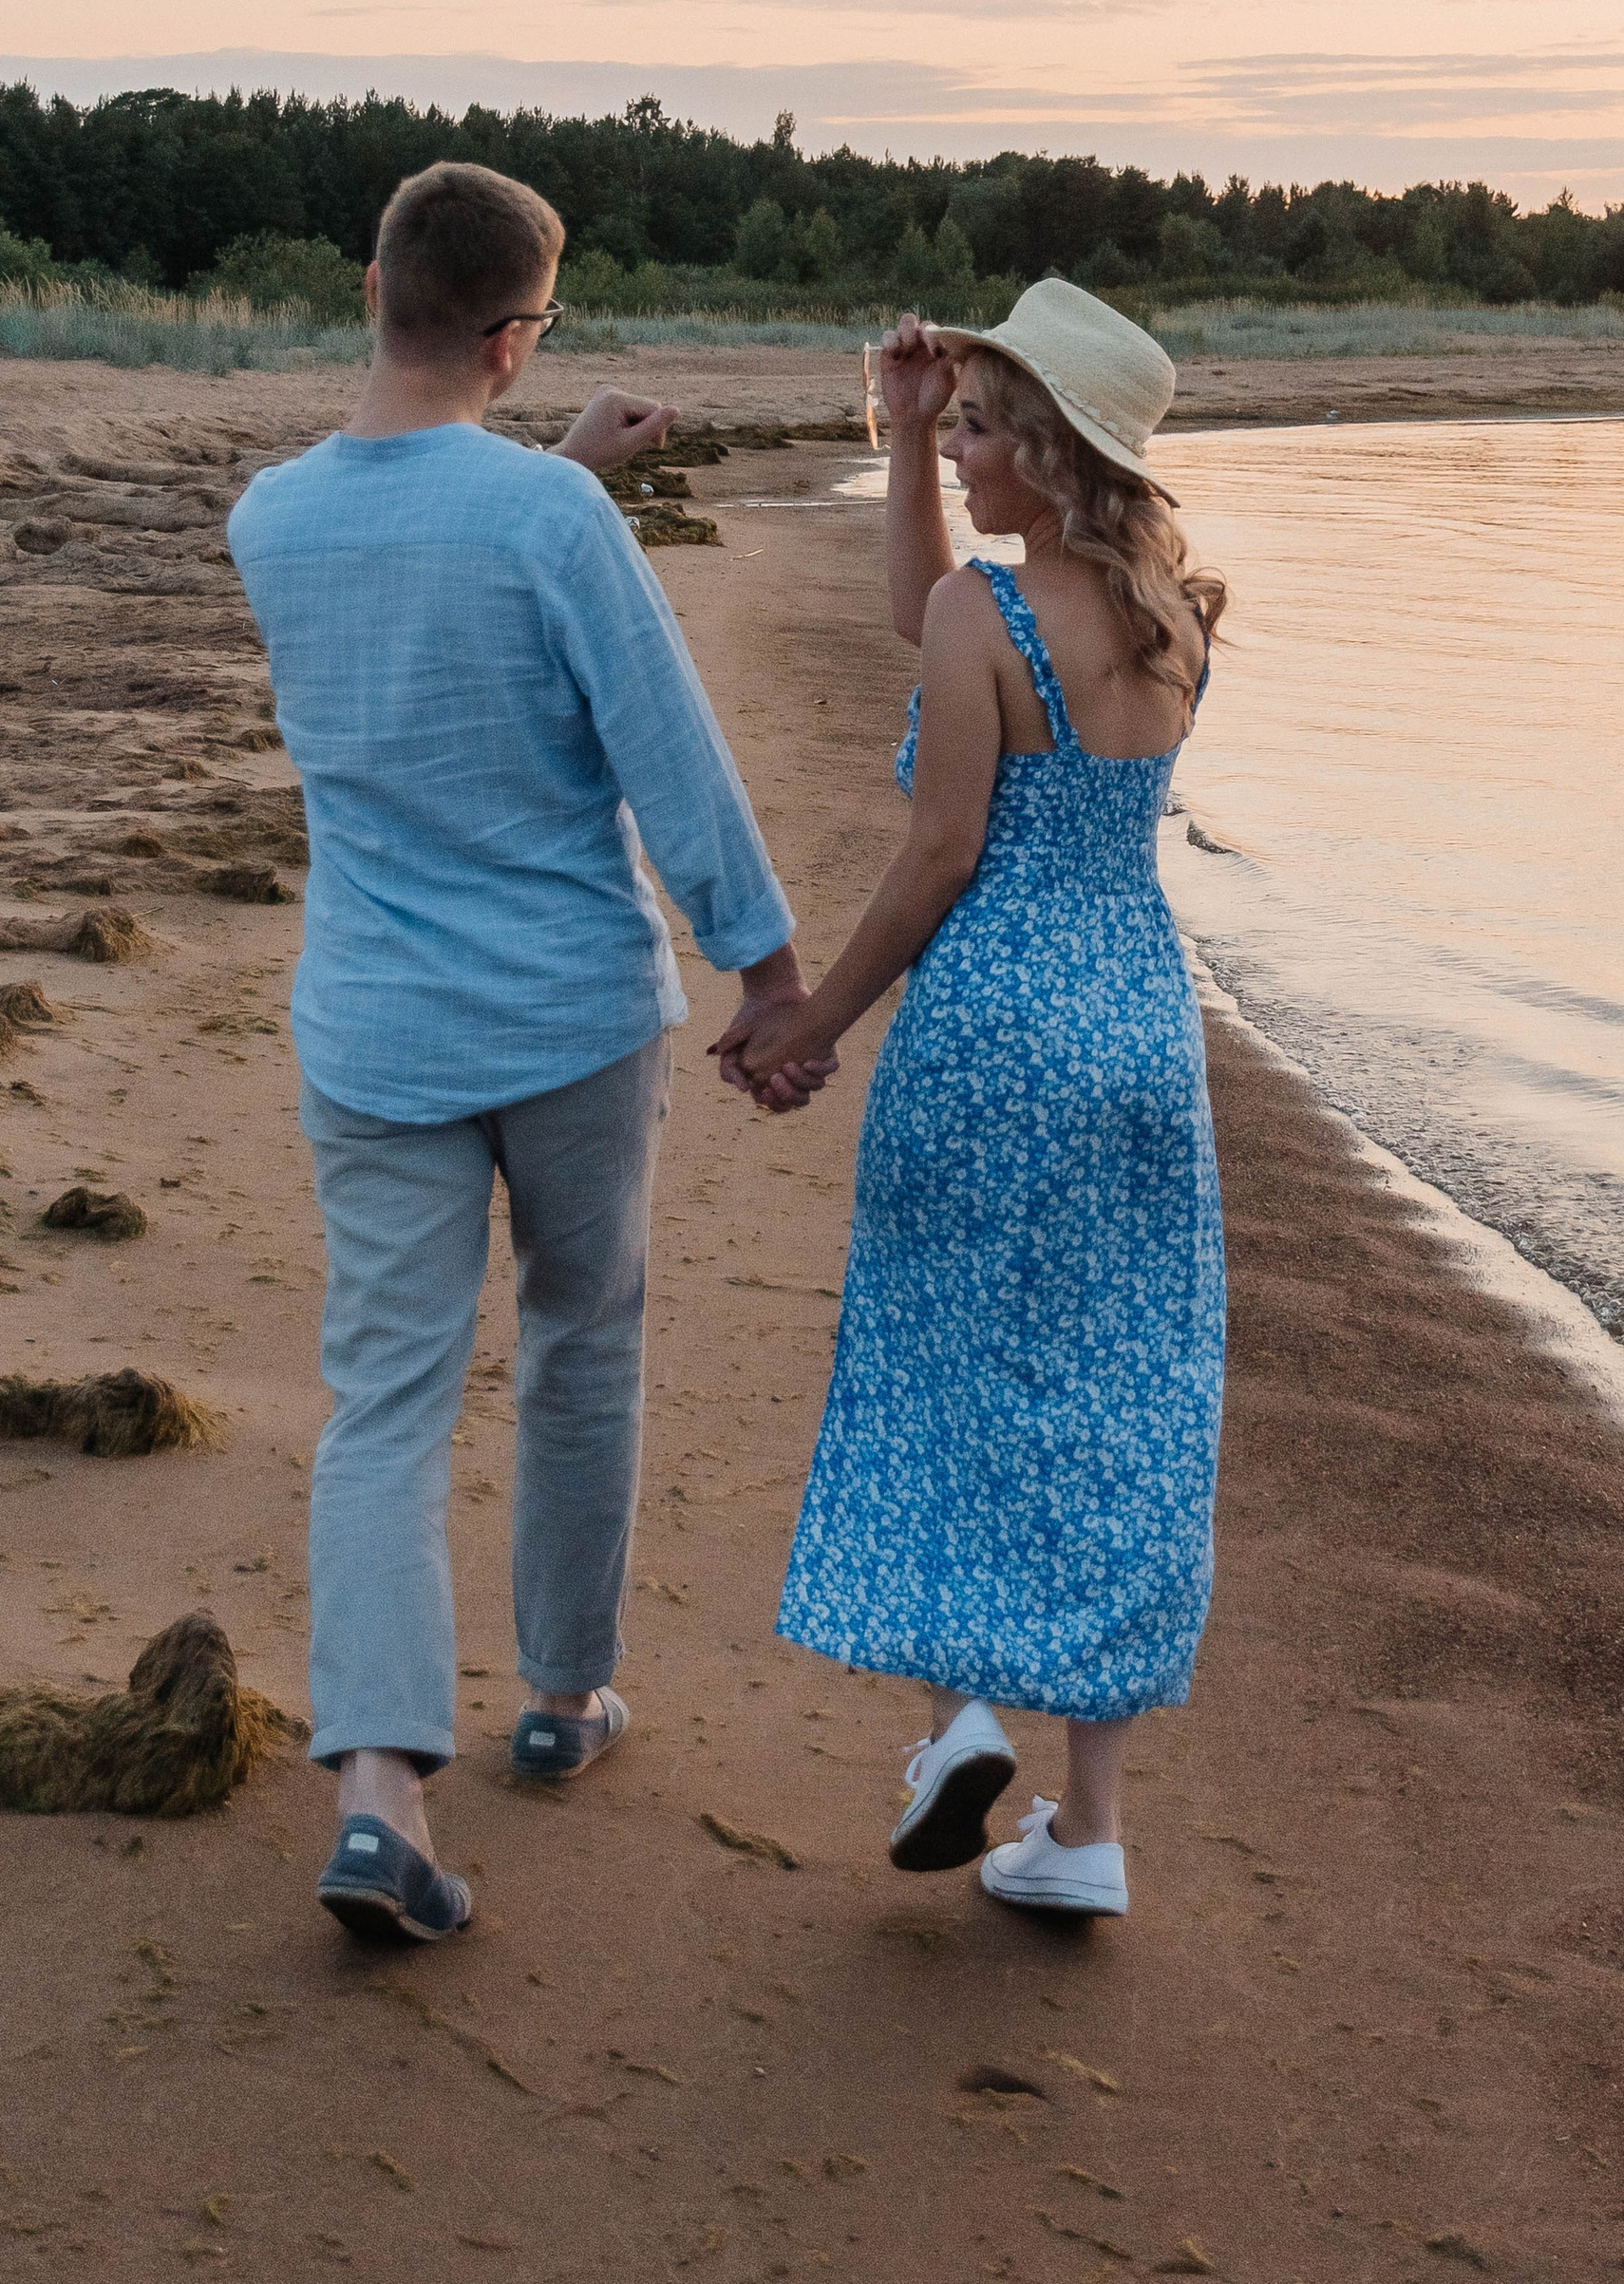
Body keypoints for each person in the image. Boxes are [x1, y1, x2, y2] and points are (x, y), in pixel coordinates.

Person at [228, 160, 823, 1944]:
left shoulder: (271, 519)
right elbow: (669, 755)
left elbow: (424, 587)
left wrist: (550, 459)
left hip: (376, 1027)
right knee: (583, 1340)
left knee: (387, 1402)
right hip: (566, 1015)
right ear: (517, 334)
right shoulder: (551, 527)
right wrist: (771, 974)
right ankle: (561, 1699)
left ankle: (379, 1793)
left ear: (366, 289)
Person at [719, 279, 1227, 1918]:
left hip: (998, 1027)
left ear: (1059, 455)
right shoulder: (1178, 615)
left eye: (997, 427)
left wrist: (811, 1022)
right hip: (1140, 1029)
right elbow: (934, 620)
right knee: (1114, 1404)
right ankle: (1090, 1828)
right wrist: (920, 436)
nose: (978, 449)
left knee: (937, 1366)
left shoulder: (983, 625)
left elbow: (941, 853)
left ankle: (953, 1725)